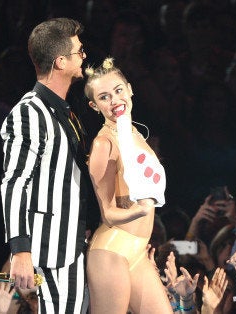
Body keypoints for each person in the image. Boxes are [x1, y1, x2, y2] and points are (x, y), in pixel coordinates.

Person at [0, 18, 92, 314]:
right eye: (79, 51)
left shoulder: (65, 110)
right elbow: (15, 182)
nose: (85, 56)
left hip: (73, 245)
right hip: (50, 251)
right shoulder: (29, 112)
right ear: (60, 61)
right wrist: (20, 250)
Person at [84, 58, 171, 313]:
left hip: (137, 251)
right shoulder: (104, 143)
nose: (114, 100)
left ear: (130, 89)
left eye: (118, 90)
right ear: (94, 105)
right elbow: (108, 213)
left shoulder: (135, 134)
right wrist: (141, 210)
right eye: (104, 97)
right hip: (112, 251)